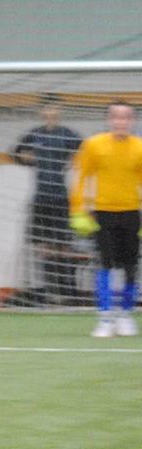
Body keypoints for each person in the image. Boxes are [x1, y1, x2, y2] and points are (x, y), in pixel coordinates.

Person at [70, 101, 142, 337]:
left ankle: (125, 315)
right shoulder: (93, 145)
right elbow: (81, 177)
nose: (121, 121)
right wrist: (78, 211)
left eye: (126, 117)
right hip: (102, 213)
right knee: (105, 264)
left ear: (132, 121)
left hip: (131, 213)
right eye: (116, 117)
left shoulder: (139, 147)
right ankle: (105, 317)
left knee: (130, 266)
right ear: (109, 120)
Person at [6, 96, 83, 306]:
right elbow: (15, 152)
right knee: (44, 246)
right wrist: (25, 158)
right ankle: (49, 291)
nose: (51, 112)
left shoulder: (67, 134)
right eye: (47, 108)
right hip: (41, 198)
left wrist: (75, 160)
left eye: (54, 108)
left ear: (60, 110)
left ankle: (68, 292)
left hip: (61, 197)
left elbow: (86, 150)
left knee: (64, 245)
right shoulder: (35, 134)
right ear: (42, 111)